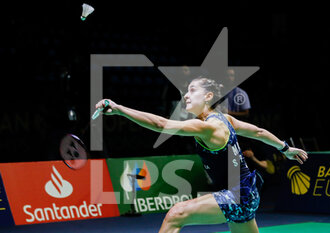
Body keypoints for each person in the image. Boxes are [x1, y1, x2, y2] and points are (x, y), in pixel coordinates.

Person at [95, 77, 308, 233]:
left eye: (192, 90)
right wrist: (285, 149)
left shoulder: (207, 127)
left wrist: (119, 108)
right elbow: (259, 132)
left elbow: (161, 124)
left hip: (237, 195)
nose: (185, 95)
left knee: (176, 214)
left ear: (208, 96)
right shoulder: (225, 119)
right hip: (247, 194)